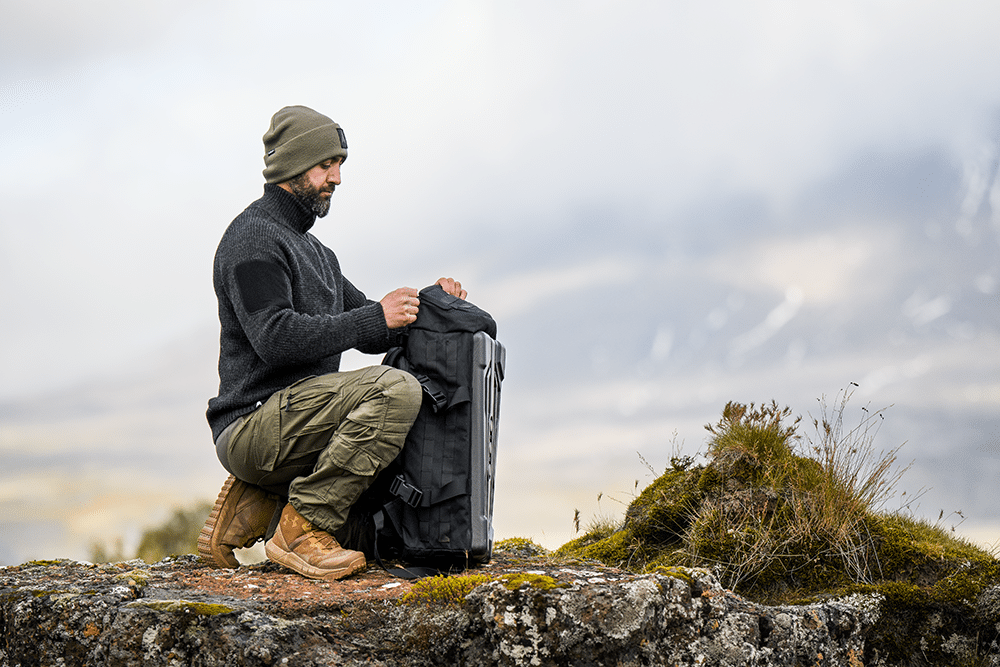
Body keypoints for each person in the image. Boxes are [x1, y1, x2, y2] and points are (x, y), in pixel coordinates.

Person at [199, 105, 467, 581]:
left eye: (340, 165)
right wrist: (372, 318)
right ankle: (299, 528)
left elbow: (373, 326)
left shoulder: (318, 253)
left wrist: (432, 305)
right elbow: (275, 338)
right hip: (252, 423)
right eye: (327, 165)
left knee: (373, 541)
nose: (338, 177)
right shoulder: (252, 239)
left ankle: (262, 501)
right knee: (396, 389)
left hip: (300, 424)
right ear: (293, 167)